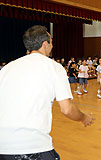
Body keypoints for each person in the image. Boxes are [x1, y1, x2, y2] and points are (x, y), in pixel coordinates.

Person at [0, 25, 94, 159]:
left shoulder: (7, 68)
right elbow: (67, 109)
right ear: (45, 44)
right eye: (51, 42)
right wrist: (84, 118)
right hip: (32, 147)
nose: (52, 46)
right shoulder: (54, 67)